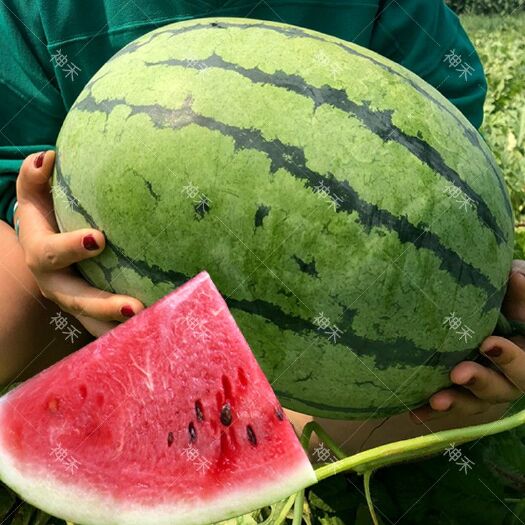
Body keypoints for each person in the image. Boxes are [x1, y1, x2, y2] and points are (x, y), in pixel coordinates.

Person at [1, 0, 523, 450]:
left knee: (449, 397)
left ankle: (267, 428)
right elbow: (10, 167)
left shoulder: (394, 10)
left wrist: (474, 296)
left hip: (316, 339)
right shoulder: (35, 12)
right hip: (77, 283)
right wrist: (34, 221)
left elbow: (440, 178)